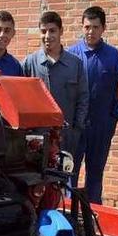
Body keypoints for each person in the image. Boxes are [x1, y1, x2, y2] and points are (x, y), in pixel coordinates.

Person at [67, 6, 118, 203]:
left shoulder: (113, 56)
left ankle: (94, 215)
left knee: (95, 172)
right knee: (69, 172)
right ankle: (68, 215)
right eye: (87, 27)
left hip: (101, 125)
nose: (91, 31)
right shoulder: (71, 55)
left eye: (95, 27)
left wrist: (114, 117)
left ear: (103, 28)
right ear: (82, 27)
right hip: (75, 126)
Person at [23, 11, 90, 168]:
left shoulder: (75, 64)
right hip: (36, 138)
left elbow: (83, 98)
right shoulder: (29, 63)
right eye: (43, 31)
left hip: (66, 138)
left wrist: (76, 130)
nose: (47, 36)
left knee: (63, 181)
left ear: (61, 31)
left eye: (52, 31)